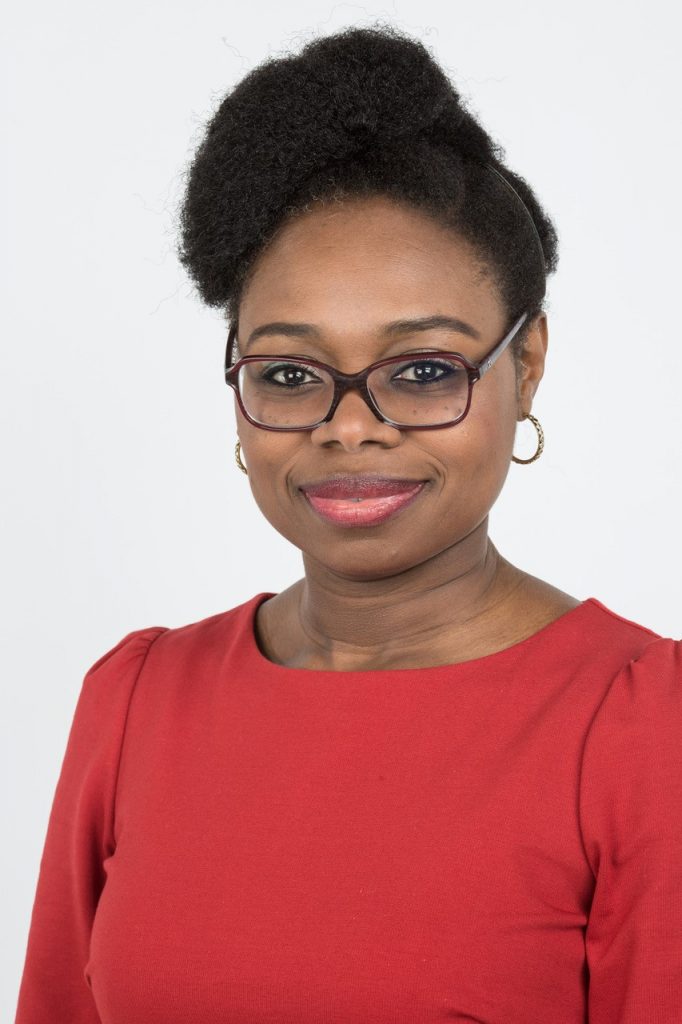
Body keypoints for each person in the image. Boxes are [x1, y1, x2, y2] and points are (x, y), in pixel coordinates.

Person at [15, 24, 681, 1024]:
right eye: (290, 372)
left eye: (424, 370)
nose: (350, 425)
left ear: (527, 364)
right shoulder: (137, 699)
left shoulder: (639, 727)